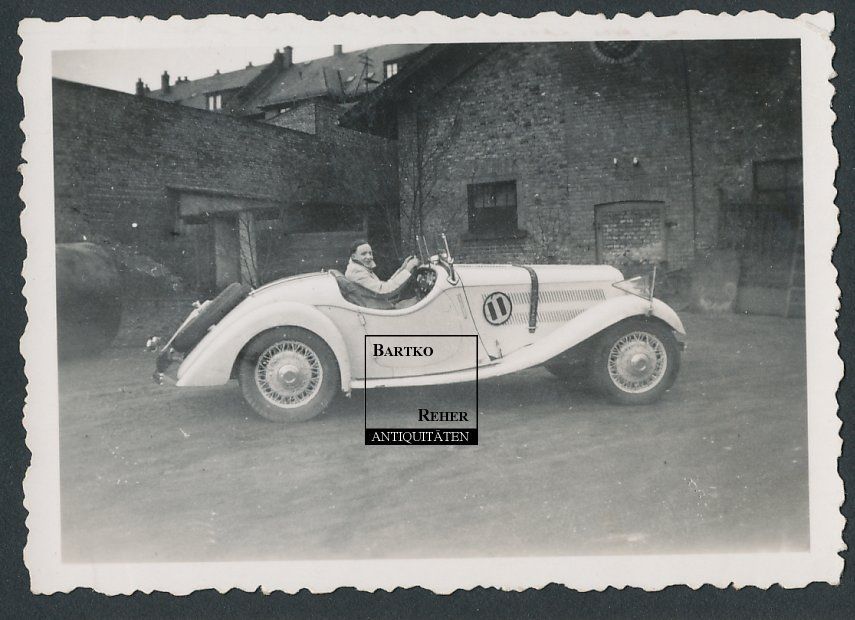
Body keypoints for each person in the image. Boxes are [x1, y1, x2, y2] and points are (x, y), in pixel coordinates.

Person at [345, 240, 420, 294]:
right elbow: (384, 290)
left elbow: (384, 284)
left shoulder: (359, 268)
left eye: (370, 253)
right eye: (363, 254)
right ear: (354, 256)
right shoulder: (356, 272)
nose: (369, 257)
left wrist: (402, 269)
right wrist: (408, 268)